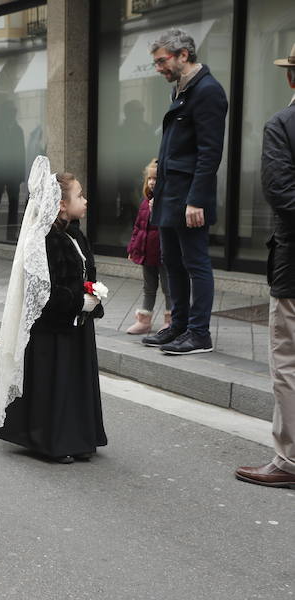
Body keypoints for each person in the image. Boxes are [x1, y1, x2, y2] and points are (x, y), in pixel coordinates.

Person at [0, 157, 107, 464]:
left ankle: (79, 436)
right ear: (61, 205)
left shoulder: (75, 233)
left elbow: (85, 273)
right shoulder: (44, 240)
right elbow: (43, 292)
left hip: (76, 325)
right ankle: (50, 440)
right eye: (80, 196)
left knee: (75, 381)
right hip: (53, 330)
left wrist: (93, 296)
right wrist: (76, 301)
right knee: (56, 382)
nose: (85, 200)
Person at [142, 28, 228, 355]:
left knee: (195, 263)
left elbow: (210, 153)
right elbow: (171, 151)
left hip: (189, 197)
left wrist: (196, 200)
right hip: (169, 193)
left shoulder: (207, 91)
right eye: (156, 62)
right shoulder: (181, 89)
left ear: (183, 55)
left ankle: (199, 334)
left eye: (162, 61)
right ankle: (177, 326)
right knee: (171, 262)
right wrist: (156, 197)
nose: (158, 68)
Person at [235, 44, 295, 489]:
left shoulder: (283, 124)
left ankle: (289, 460)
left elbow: (280, 192)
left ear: (291, 78)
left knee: (289, 361)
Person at [126, 158, 171, 334]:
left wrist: (158, 210)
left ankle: (171, 320)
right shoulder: (145, 202)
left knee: (168, 288)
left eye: (156, 179)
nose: (152, 182)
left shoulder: (167, 202)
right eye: (150, 178)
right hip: (146, 254)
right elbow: (138, 227)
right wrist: (133, 249)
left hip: (163, 254)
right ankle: (145, 321)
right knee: (148, 288)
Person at [0, 103, 25, 240]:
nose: (12, 116)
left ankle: (11, 234)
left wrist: (21, 175)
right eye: (9, 113)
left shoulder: (18, 130)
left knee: (14, 202)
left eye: (13, 113)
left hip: (13, 173)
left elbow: (22, 153)